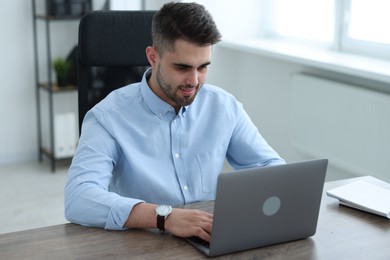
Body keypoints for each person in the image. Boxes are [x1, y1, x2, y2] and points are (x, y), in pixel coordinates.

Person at [65, 2, 285, 243]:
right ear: (153, 57)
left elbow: (269, 166)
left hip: (208, 236)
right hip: (143, 242)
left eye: (203, 67)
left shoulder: (223, 107)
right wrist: (165, 217)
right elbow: (79, 197)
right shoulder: (108, 116)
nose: (194, 80)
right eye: (182, 67)